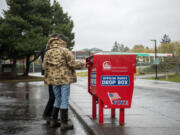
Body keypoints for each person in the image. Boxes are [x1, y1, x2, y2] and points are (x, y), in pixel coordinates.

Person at [43, 33, 85, 130]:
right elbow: (73, 64)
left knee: (57, 98)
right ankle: (64, 123)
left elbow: (44, 66)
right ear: (63, 41)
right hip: (64, 79)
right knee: (64, 100)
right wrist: (83, 63)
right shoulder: (65, 51)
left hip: (53, 80)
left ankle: (53, 120)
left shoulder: (48, 52)